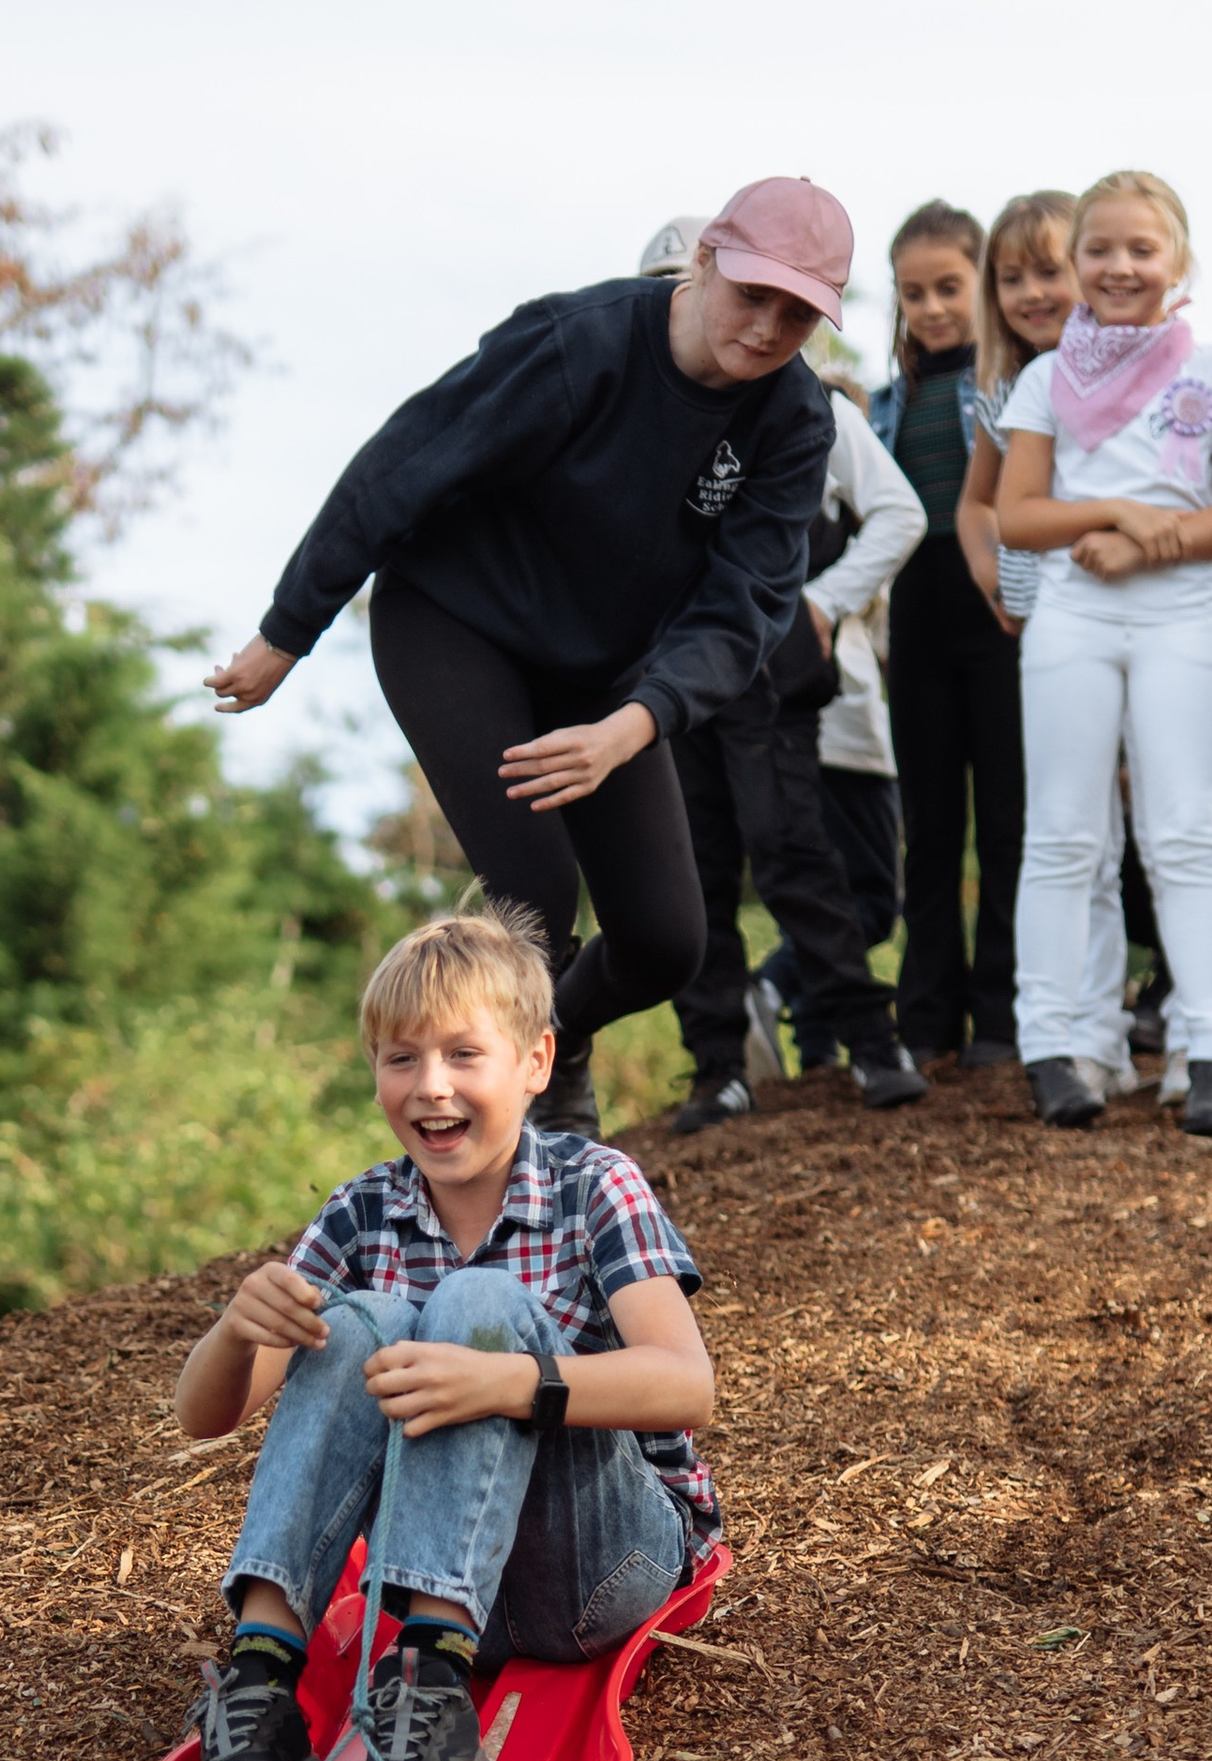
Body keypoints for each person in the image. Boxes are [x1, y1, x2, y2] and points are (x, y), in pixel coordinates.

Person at [208, 181, 852, 1142]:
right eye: (752, 294)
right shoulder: (576, 346)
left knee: (667, 942)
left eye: (796, 314)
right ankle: (518, 1134)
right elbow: (402, 465)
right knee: (537, 904)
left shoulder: (793, 421)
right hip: (455, 624)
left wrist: (631, 726)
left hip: (602, 676)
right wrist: (286, 632)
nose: (765, 329)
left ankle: (555, 1038)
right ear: (707, 258)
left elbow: (746, 604)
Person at [172, 908, 718, 1761]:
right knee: (361, 1322)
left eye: (465, 1055)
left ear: (536, 1063)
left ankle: (427, 1692)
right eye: (401, 1059)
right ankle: (261, 1681)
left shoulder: (594, 1184)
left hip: (600, 1570)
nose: (432, 1087)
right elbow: (205, 1416)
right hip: (448, 1580)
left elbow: (685, 1383)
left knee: (480, 1305)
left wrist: (512, 1382)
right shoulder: (363, 1211)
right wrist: (234, 1330)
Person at [623, 224, 928, 1117]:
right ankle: (717, 1066)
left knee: (794, 850)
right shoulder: (628, 415)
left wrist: (821, 606)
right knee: (693, 869)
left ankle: (870, 1045)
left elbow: (897, 515)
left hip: (764, 669)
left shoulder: (805, 407)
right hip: (662, 681)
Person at [996, 170, 1212, 1139]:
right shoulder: (1043, 379)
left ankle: (1208, 1055)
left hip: (1184, 622)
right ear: (1074, 265)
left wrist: (1146, 545)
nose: (1120, 267)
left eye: (1140, 249)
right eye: (1099, 250)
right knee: (1065, 837)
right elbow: (1018, 514)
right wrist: (1114, 513)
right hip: (1072, 622)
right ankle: (1056, 1046)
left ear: (1179, 262)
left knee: (1185, 835)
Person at [958, 189, 1150, 1091]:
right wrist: (993, 573)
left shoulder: (1133, 380)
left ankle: (1119, 1029)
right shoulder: (1005, 392)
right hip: (1042, 637)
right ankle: (1075, 1031)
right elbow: (976, 502)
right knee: (1071, 836)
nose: (1032, 291)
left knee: (1129, 830)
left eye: (1048, 269)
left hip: (1129, 625)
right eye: (1011, 277)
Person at [871, 202, 1024, 1068]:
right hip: (917, 612)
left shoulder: (1010, 392)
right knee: (929, 824)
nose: (932, 308)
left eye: (949, 288)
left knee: (1007, 815)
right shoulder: (889, 402)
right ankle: (926, 1015)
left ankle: (1001, 1015)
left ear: (981, 285)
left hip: (996, 603)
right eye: (913, 293)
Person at [745, 354, 921, 1078]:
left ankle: (816, 1047)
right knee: (868, 896)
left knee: (827, 887)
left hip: (827, 698)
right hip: (834, 713)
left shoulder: (822, 521)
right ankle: (775, 988)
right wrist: (826, 604)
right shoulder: (824, 537)